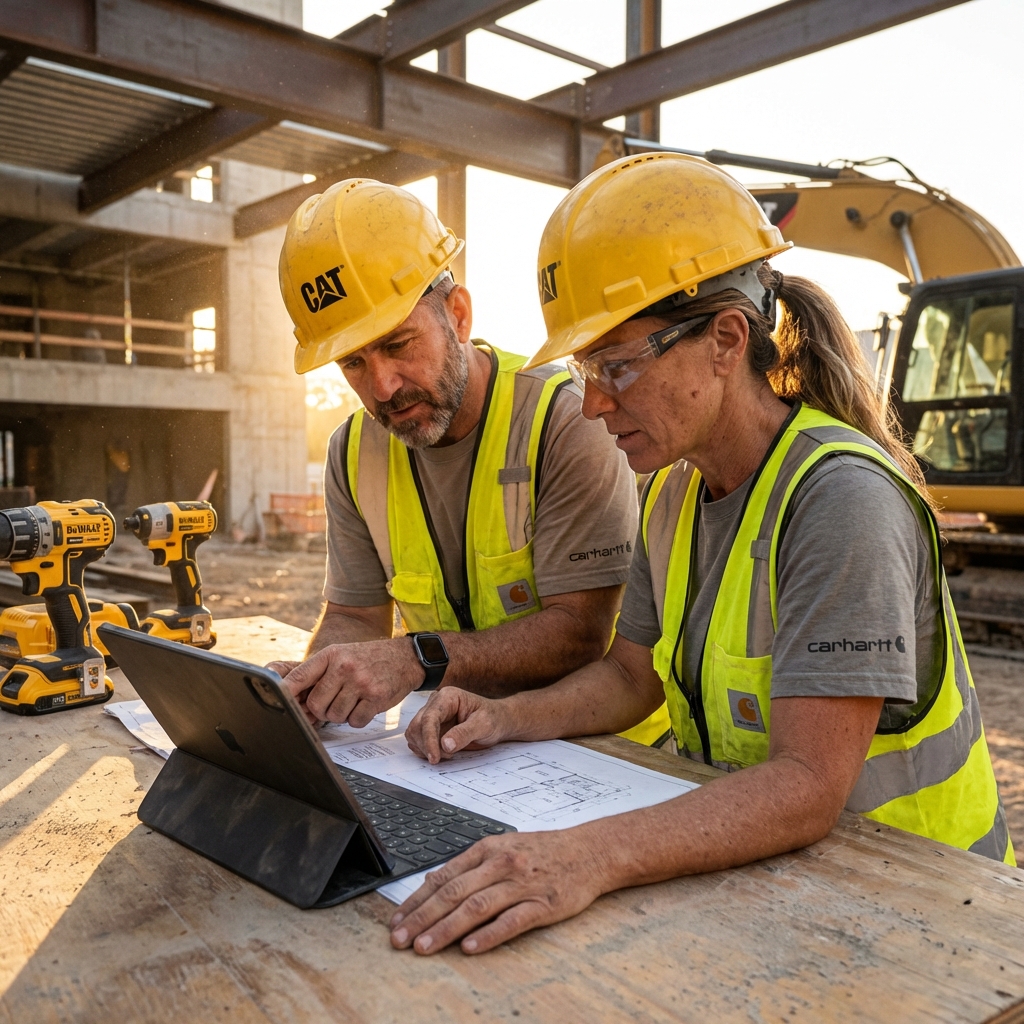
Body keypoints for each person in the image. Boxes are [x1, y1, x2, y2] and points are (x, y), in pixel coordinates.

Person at [387, 152, 1014, 958]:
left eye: (616, 365)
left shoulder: (841, 499)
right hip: (790, 894)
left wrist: (585, 856)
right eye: (584, 368)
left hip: (929, 918)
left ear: (725, 339)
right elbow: (630, 676)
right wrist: (505, 717)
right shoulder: (673, 494)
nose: (593, 402)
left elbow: (807, 785)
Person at [271, 178, 668, 744]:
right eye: (352, 363)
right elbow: (355, 618)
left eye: (398, 344)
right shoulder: (353, 451)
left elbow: (582, 635)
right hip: (455, 748)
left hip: (607, 752)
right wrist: (317, 682)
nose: (382, 387)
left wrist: (416, 658)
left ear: (458, 315)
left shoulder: (564, 419)